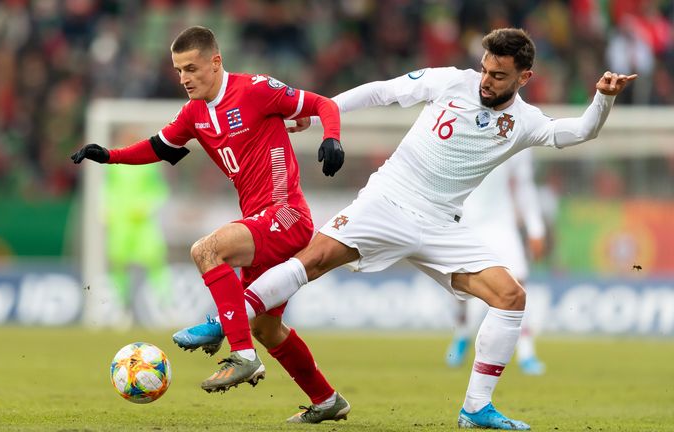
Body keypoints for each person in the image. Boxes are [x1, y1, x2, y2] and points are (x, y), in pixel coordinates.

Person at [175, 28, 636, 430]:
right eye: (485, 70)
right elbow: (380, 91)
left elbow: (580, 132)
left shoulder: (525, 122)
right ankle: (223, 322)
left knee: (511, 297)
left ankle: (476, 408)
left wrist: (604, 98)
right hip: (387, 201)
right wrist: (317, 116)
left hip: (441, 224)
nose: (486, 82)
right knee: (310, 261)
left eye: (498, 76)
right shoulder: (450, 81)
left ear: (524, 78)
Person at [71, 26, 351, 423]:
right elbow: (156, 146)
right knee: (268, 330)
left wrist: (332, 138)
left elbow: (323, 104)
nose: (184, 78)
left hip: (285, 214)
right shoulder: (194, 114)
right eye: (178, 70)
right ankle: (327, 401)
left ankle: (241, 355)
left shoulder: (253, 89)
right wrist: (109, 156)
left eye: (191, 68)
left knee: (206, 249)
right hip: (260, 221)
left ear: (216, 62)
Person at [445, 148, 547, 375]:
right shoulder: (465, 121)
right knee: (458, 284)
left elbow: (524, 185)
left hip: (500, 221)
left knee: (518, 281)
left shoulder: (519, 127)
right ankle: (462, 332)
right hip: (464, 218)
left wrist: (535, 227)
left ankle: (527, 352)